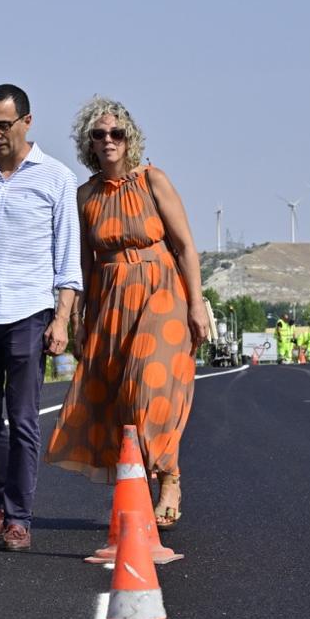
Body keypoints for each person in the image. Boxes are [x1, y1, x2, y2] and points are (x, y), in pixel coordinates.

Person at [46, 97, 207, 529]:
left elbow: (187, 245)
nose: (108, 141)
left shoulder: (153, 180)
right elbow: (81, 265)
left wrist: (196, 304)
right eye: (99, 135)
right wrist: (77, 319)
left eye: (116, 133)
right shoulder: (84, 196)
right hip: (110, 298)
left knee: (145, 385)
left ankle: (169, 477)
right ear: (89, 145)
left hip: (161, 290)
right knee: (120, 401)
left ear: (129, 138)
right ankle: (142, 487)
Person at [0, 83, 81, 552]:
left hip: (29, 314)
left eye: (4, 125)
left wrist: (61, 319)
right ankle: (4, 503)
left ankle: (20, 517)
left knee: (22, 418)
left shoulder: (56, 178)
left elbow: (68, 263)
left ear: (27, 122)